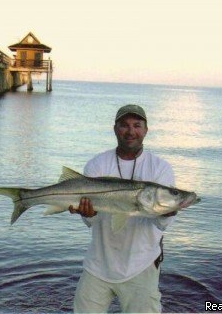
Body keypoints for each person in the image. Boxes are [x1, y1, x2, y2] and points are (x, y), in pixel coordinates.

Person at [69, 104, 177, 313]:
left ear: (146, 130)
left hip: (142, 265)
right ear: (115, 129)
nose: (130, 131)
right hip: (98, 265)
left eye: (137, 125)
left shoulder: (160, 168)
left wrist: (169, 210)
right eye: (124, 125)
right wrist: (88, 214)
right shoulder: (97, 164)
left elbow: (161, 222)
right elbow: (90, 220)